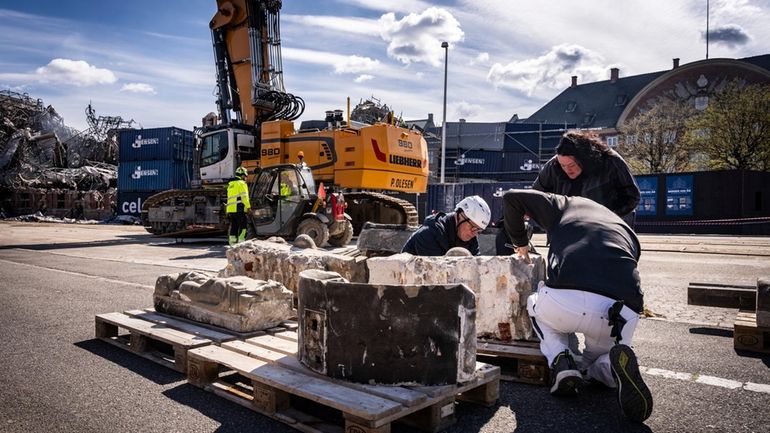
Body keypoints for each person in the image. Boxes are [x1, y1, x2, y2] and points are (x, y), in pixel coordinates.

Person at [502, 188, 652, 423]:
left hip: (565, 302)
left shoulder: (564, 204)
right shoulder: (624, 229)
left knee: (534, 303)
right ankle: (608, 369)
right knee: (600, 358)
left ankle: (561, 361)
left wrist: (520, 243)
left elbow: (511, 197)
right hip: (620, 313)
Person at [401, 195, 491, 256]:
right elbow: (435, 277)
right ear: (460, 216)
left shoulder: (471, 239)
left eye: (478, 230)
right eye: (473, 227)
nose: (475, 233)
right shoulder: (429, 234)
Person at [226, 166, 251, 246]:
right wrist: (248, 207)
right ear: (242, 175)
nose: (246, 178)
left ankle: (232, 244)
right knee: (243, 227)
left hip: (231, 209)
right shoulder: (242, 183)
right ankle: (241, 244)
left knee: (234, 226)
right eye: (245, 176)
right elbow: (244, 197)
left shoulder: (230, 184)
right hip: (239, 208)